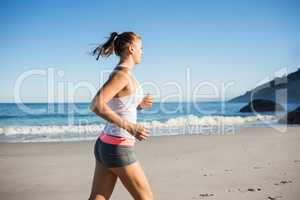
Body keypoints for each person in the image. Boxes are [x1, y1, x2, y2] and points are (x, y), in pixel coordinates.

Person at [88, 31, 154, 200]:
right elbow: (96, 105)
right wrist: (131, 127)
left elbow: (121, 108)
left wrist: (138, 106)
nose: (143, 51)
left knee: (98, 198)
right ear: (131, 48)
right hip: (118, 147)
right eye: (141, 47)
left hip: (106, 144)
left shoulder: (125, 74)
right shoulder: (121, 75)